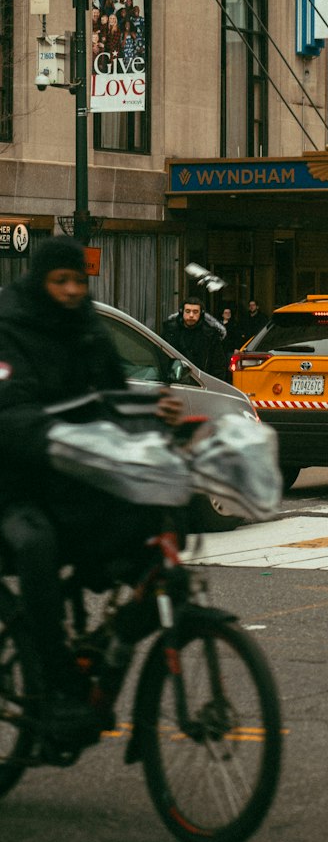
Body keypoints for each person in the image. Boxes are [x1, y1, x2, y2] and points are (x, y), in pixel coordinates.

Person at [0, 237, 183, 744]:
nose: (72, 290)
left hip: (74, 478)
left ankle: (111, 639)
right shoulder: (8, 327)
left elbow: (114, 401)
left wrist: (159, 422)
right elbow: (9, 409)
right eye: (61, 281)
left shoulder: (88, 330)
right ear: (40, 281)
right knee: (36, 546)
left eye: (79, 281)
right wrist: (57, 437)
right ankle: (55, 680)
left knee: (154, 530)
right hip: (15, 483)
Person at [162, 297, 228, 379]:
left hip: (201, 382)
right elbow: (162, 358)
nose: (191, 315)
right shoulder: (170, 331)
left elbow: (218, 364)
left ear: (201, 313)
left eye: (195, 312)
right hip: (174, 380)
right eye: (188, 311)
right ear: (182, 312)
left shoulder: (210, 335)